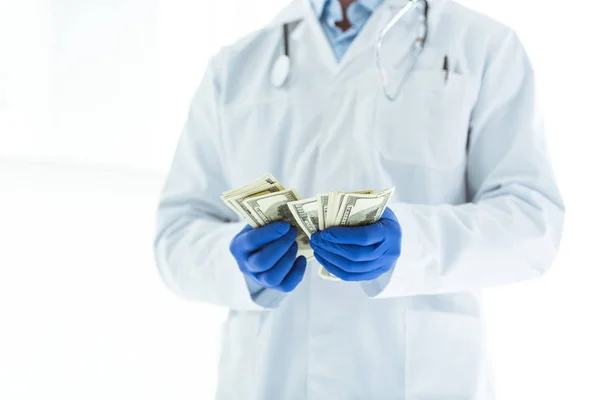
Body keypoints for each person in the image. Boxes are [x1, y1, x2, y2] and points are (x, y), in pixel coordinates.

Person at [154, 0, 565, 398]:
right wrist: (237, 265)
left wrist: (414, 246)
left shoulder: (484, 47)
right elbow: (176, 236)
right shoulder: (236, 65)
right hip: (271, 374)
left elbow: (532, 221)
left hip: (418, 376)